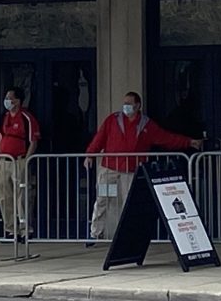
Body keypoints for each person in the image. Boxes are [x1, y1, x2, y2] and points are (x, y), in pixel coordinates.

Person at [83, 91, 202, 246]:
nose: (125, 106)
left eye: (129, 103)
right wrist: (90, 154)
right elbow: (100, 138)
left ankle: (127, 236)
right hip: (110, 169)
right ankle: (95, 233)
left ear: (138, 105)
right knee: (103, 200)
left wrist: (189, 142)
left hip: (130, 172)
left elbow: (166, 138)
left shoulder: (146, 124)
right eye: (124, 103)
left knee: (128, 204)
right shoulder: (113, 120)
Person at [0, 86, 40, 243]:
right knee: (4, 197)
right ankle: (10, 230)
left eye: (11, 98)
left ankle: (25, 230)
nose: (8, 101)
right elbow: (0, 138)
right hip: (4, 161)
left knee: (22, 197)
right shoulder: (3, 118)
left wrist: (26, 160)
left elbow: (33, 141)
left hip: (19, 161)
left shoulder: (26, 118)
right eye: (7, 98)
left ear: (18, 101)